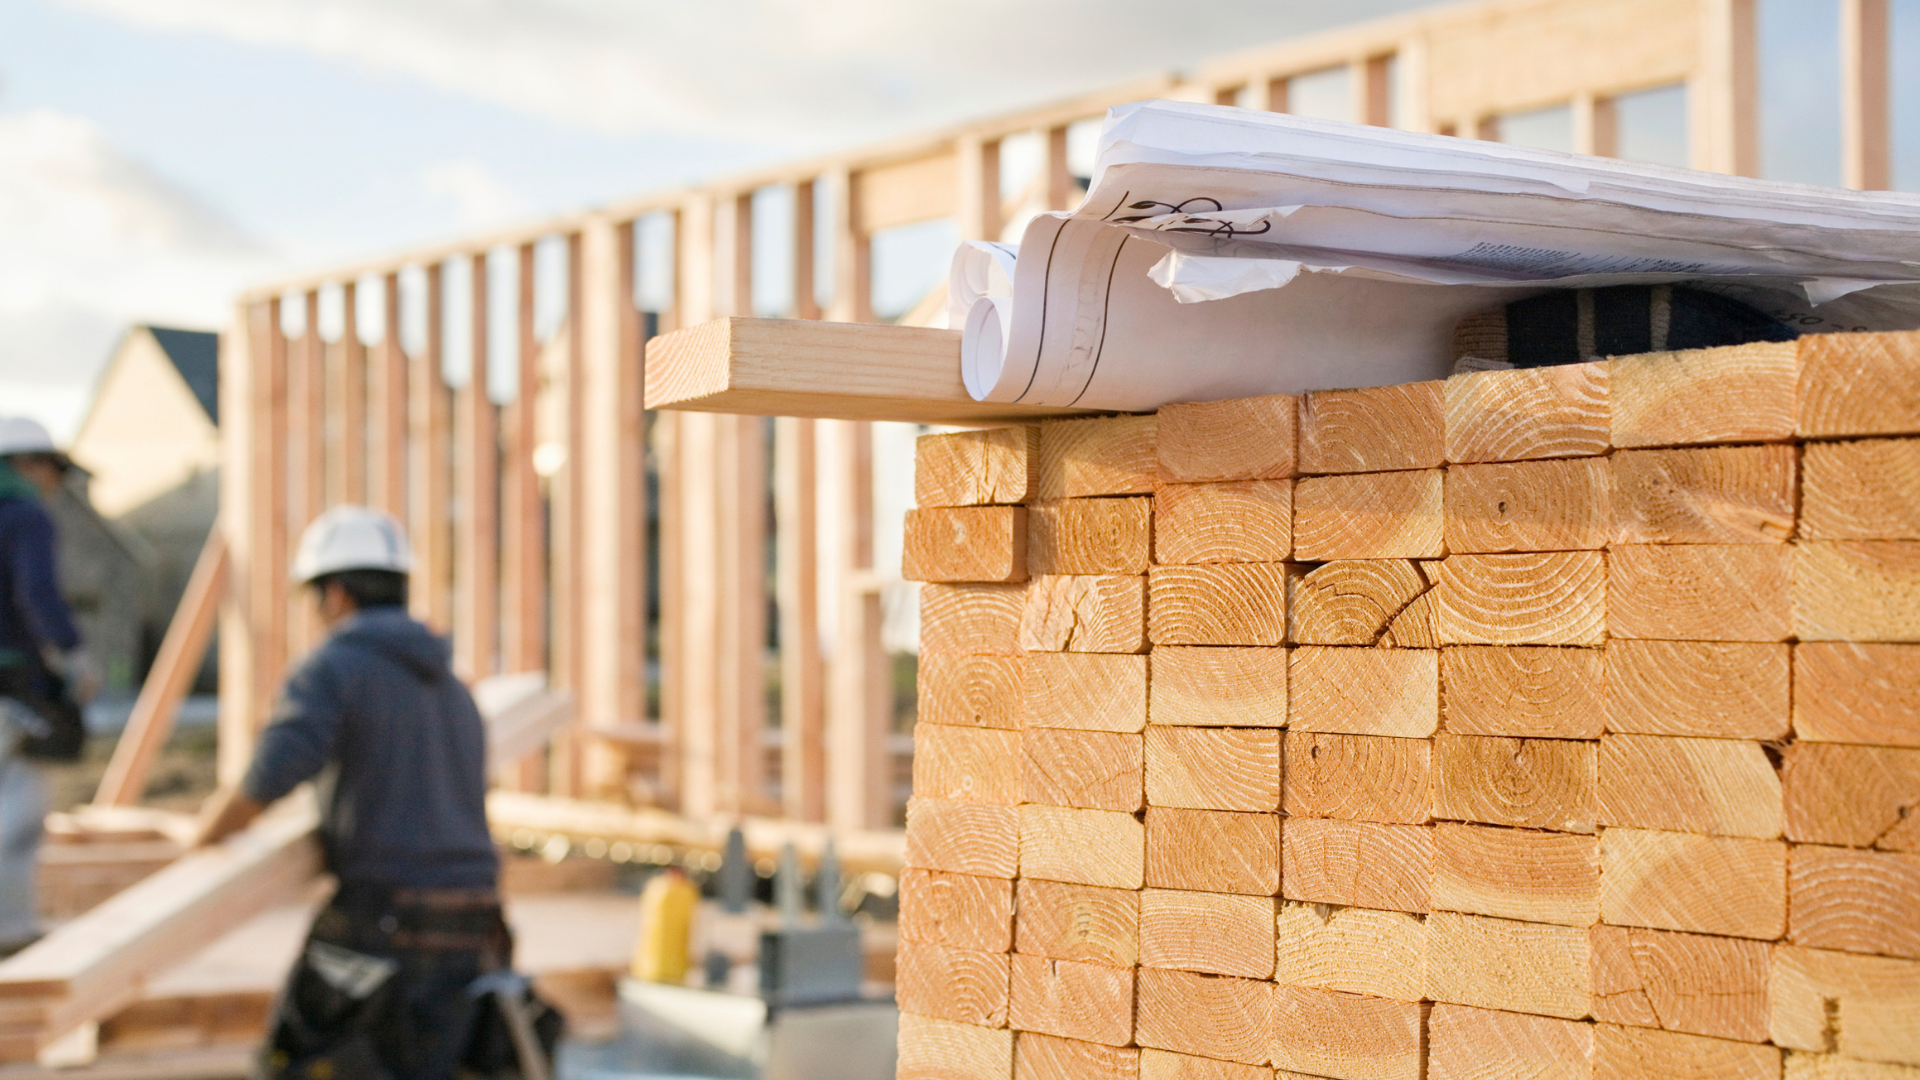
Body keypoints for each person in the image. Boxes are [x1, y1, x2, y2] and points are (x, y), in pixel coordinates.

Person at [193, 505, 507, 1080]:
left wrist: (203, 840)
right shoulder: (454, 686)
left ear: (335, 594)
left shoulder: (335, 667)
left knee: (301, 1060)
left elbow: (268, 778)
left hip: (386, 916)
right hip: (476, 920)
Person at [0, 416, 95, 956]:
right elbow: (38, 594)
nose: (54, 485)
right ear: (27, 464)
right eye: (52, 471)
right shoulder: (24, 517)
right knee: (16, 810)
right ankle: (9, 934)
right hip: (11, 689)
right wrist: (72, 659)